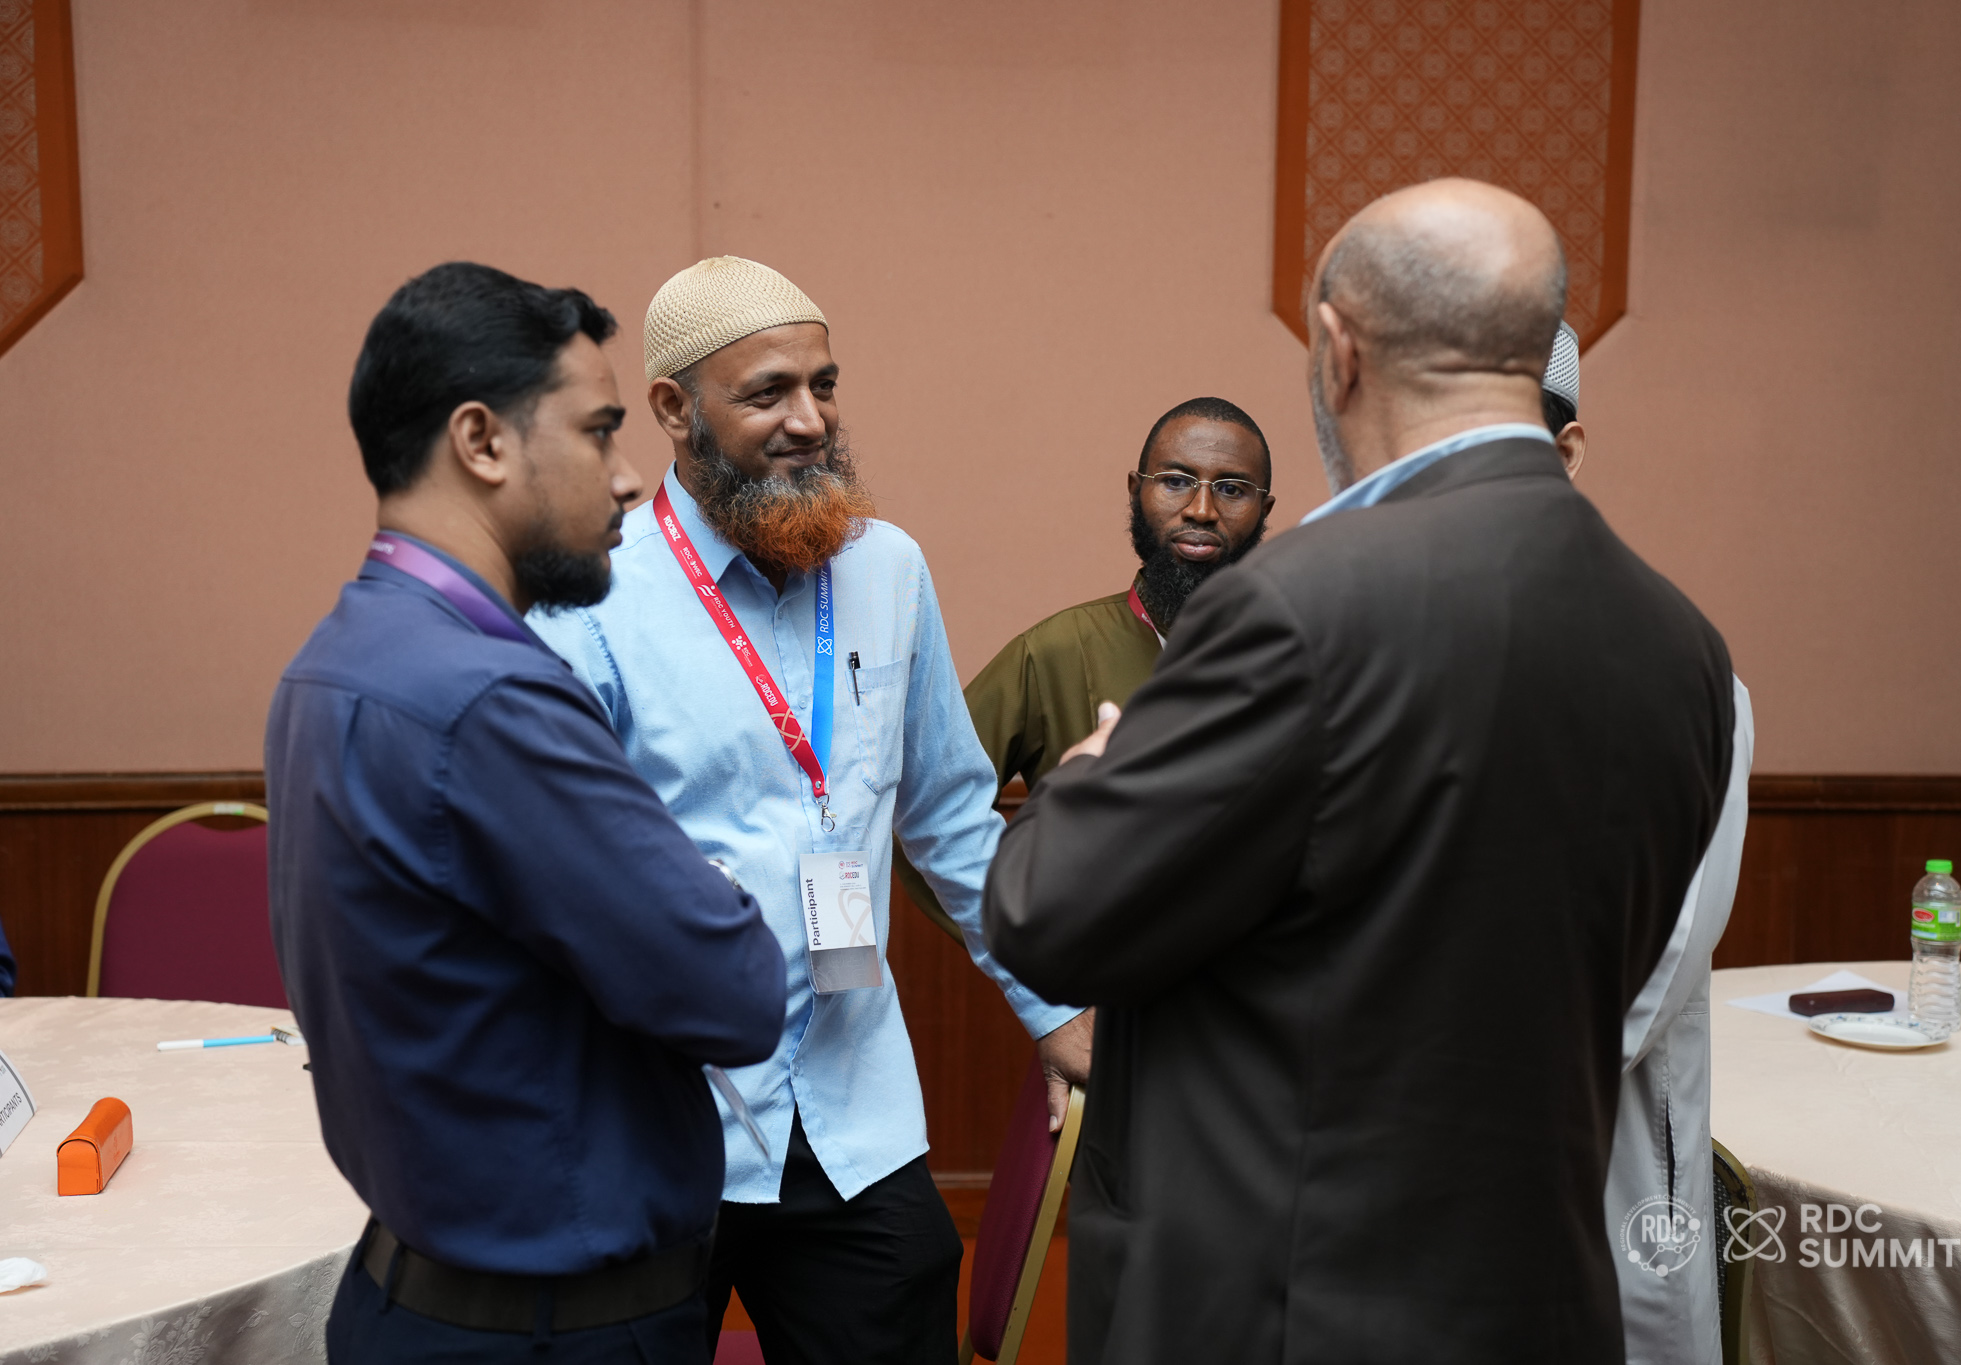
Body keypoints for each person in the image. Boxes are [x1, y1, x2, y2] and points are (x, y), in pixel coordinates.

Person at [985, 179, 1740, 1364]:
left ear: (1337, 351)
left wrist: (1092, 768)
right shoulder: (1680, 645)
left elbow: (1044, 915)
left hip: (1284, 1306)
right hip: (1533, 1297)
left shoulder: (1292, 606)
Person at [525, 256, 1090, 1365]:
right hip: (657, 1121)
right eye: (767, 393)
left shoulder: (889, 570)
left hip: (849, 1115)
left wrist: (1053, 1009)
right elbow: (551, 870)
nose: (809, 420)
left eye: (823, 385)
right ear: (674, 409)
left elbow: (952, 816)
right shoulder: (593, 599)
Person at [267, 262, 785, 1364]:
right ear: (482, 441)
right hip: (550, 1332)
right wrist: (713, 883)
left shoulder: (336, 659)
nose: (629, 480)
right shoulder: (490, 700)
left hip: (415, 1294)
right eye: (598, 432)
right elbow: (737, 992)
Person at [1536, 319, 1756, 1365]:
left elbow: (1657, 965)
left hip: (1603, 1156)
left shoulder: (1679, 676)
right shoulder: (1386, 654)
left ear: (1566, 451)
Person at [893, 396, 1275, 933]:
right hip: (1112, 979)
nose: (1202, 510)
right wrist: (1033, 961)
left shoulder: (1303, 655)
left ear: (1265, 510)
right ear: (1135, 491)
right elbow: (928, 813)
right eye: (1175, 481)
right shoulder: (1054, 652)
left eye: (1232, 489)